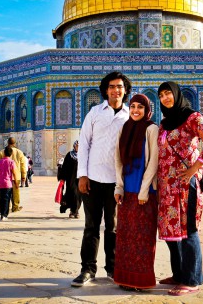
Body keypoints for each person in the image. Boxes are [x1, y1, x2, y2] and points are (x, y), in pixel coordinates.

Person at [156, 81, 203, 296]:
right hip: (167, 188)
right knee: (172, 232)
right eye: (162, 95)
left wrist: (195, 167)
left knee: (188, 230)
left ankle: (192, 279)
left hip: (185, 186)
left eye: (169, 94)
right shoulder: (164, 124)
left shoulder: (192, 117)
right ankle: (179, 274)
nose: (166, 98)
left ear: (177, 95)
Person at [72, 71, 131, 287]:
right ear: (106, 90)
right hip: (93, 179)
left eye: (120, 86)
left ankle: (114, 269)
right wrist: (82, 175)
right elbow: (84, 143)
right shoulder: (95, 113)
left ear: (125, 90)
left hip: (117, 181)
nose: (116, 90)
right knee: (91, 226)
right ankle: (88, 269)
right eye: (112, 86)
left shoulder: (129, 115)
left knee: (113, 228)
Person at [113, 93, 159, 290]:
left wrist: (144, 191)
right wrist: (119, 186)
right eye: (132, 107)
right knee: (125, 238)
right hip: (127, 191)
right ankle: (126, 279)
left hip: (144, 193)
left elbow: (153, 162)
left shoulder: (151, 129)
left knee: (143, 239)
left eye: (140, 107)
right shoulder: (125, 128)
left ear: (147, 110)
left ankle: (141, 281)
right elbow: (117, 159)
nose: (135, 111)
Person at [0, 138, 27, 213]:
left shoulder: (2, 152)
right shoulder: (19, 152)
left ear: (7, 142)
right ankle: (15, 207)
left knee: (5, 193)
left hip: (5, 177)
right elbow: (23, 165)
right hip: (16, 176)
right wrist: (24, 176)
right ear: (15, 143)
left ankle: (7, 207)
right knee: (15, 192)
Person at [0, 146, 19, 221]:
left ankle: (2, 213)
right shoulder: (11, 162)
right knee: (7, 199)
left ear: (4, 153)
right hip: (8, 184)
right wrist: (16, 182)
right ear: (11, 154)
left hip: (0, 183)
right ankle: (4, 214)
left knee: (2, 198)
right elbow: (14, 173)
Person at [58, 141, 82, 218]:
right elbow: (65, 167)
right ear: (74, 146)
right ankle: (74, 211)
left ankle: (74, 210)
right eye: (77, 145)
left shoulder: (83, 155)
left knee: (79, 195)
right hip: (71, 179)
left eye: (79, 145)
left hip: (80, 178)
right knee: (73, 193)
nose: (78, 147)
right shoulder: (69, 155)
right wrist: (62, 178)